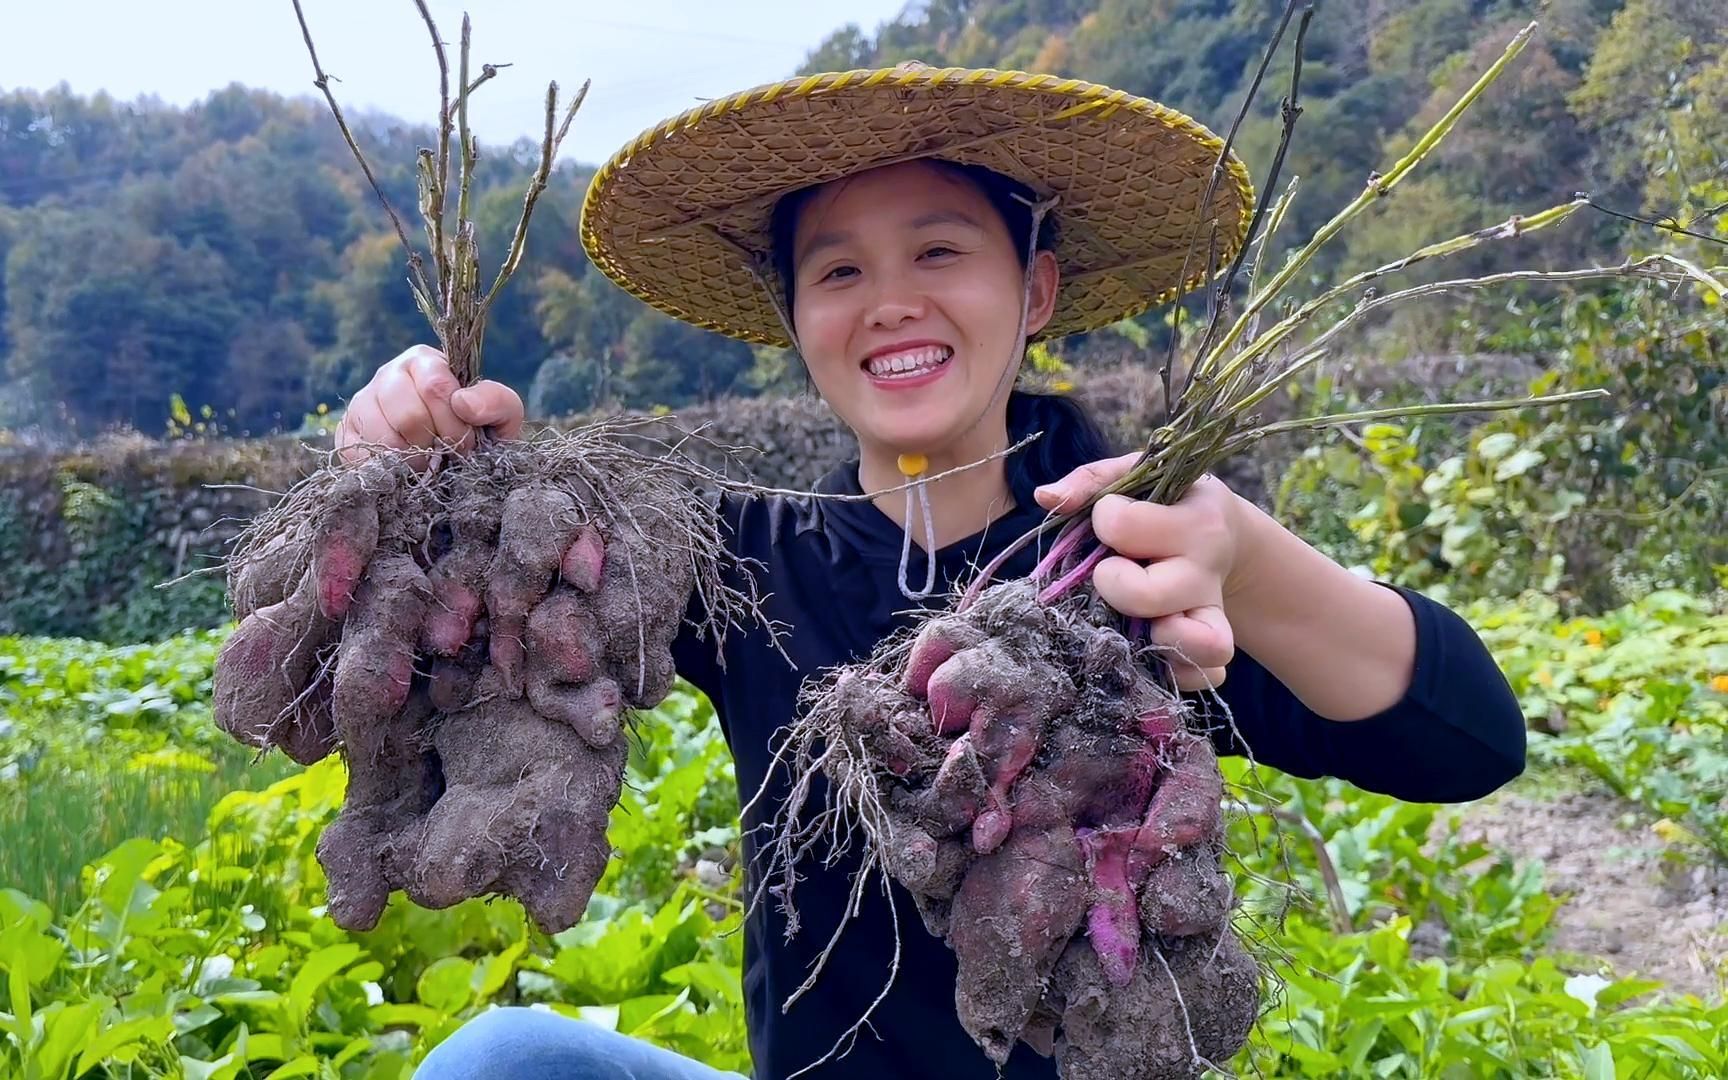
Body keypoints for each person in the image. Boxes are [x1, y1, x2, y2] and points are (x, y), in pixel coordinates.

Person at [336, 62, 1525, 1080]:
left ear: (1037, 291)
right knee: (502, 1061)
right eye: (839, 272)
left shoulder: (1130, 567)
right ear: (796, 319)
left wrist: (1252, 558)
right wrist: (428, 474)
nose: (891, 301)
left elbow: (1468, 740)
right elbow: (477, 637)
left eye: (941, 250)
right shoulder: (744, 559)